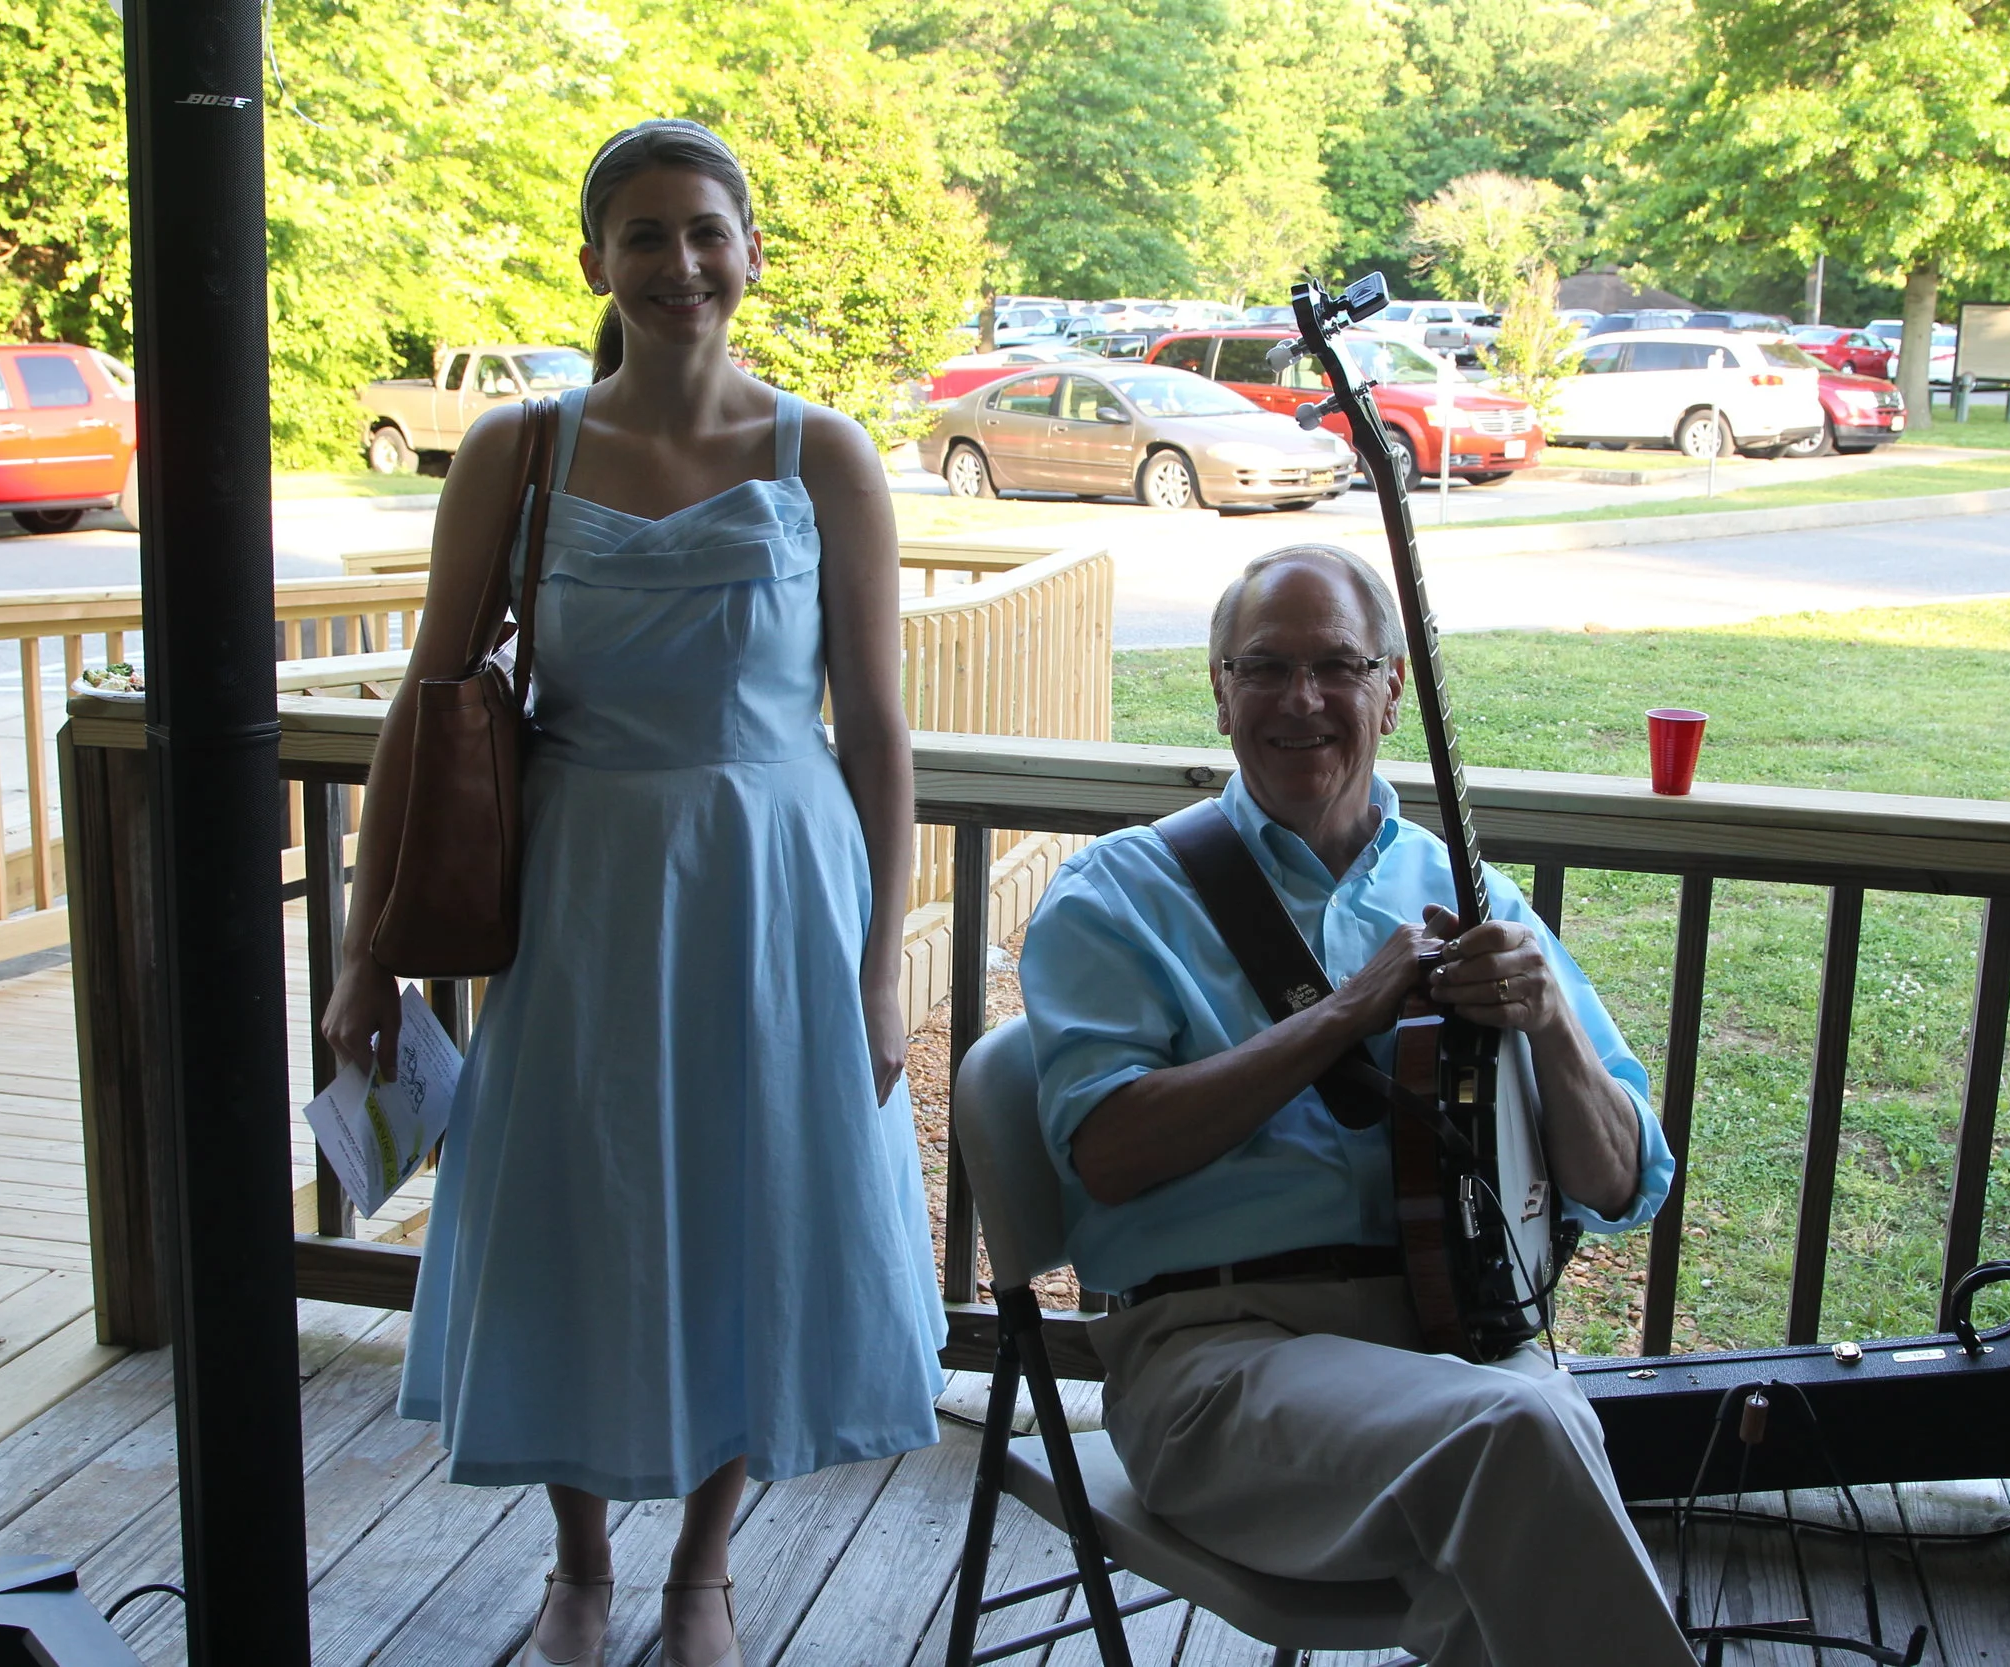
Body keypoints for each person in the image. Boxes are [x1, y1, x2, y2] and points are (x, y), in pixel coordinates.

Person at [321, 120, 944, 1667]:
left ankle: (705, 1570)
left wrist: (877, 967)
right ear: (595, 259)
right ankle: (581, 1561)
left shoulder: (827, 456)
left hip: (774, 896)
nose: (681, 263)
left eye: (707, 232)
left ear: (749, 252)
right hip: (584, 893)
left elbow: (874, 735)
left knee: (758, 1205)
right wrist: (362, 957)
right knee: (575, 1213)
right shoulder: (516, 451)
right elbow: (429, 702)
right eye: (647, 236)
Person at [1018, 545, 1697, 1667]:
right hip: (1217, 1359)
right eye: (1264, 666)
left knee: (1516, 1514)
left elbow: (1617, 1183)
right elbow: (1109, 1154)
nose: (1301, 699)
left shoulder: (1471, 893)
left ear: (1390, 688)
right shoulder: (1120, 893)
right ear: (1218, 686)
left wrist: (1555, 1024)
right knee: (1528, 1433)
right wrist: (1345, 1011)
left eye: (1337, 665)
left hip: (1449, 1341)